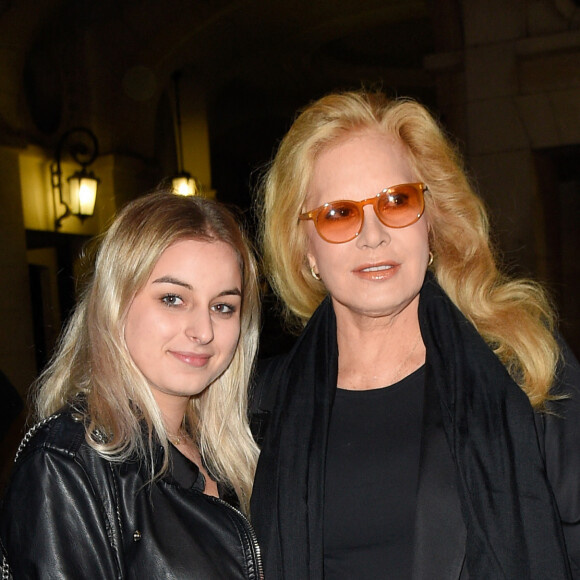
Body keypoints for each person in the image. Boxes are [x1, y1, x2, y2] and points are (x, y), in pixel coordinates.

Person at [250, 89, 580, 579]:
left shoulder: (523, 366)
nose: (373, 234)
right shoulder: (260, 406)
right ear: (305, 249)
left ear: (432, 218)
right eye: (339, 213)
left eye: (396, 201)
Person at [0, 191, 263, 579]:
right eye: (173, 298)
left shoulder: (238, 451)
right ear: (115, 303)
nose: (203, 331)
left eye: (223, 306)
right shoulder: (66, 465)